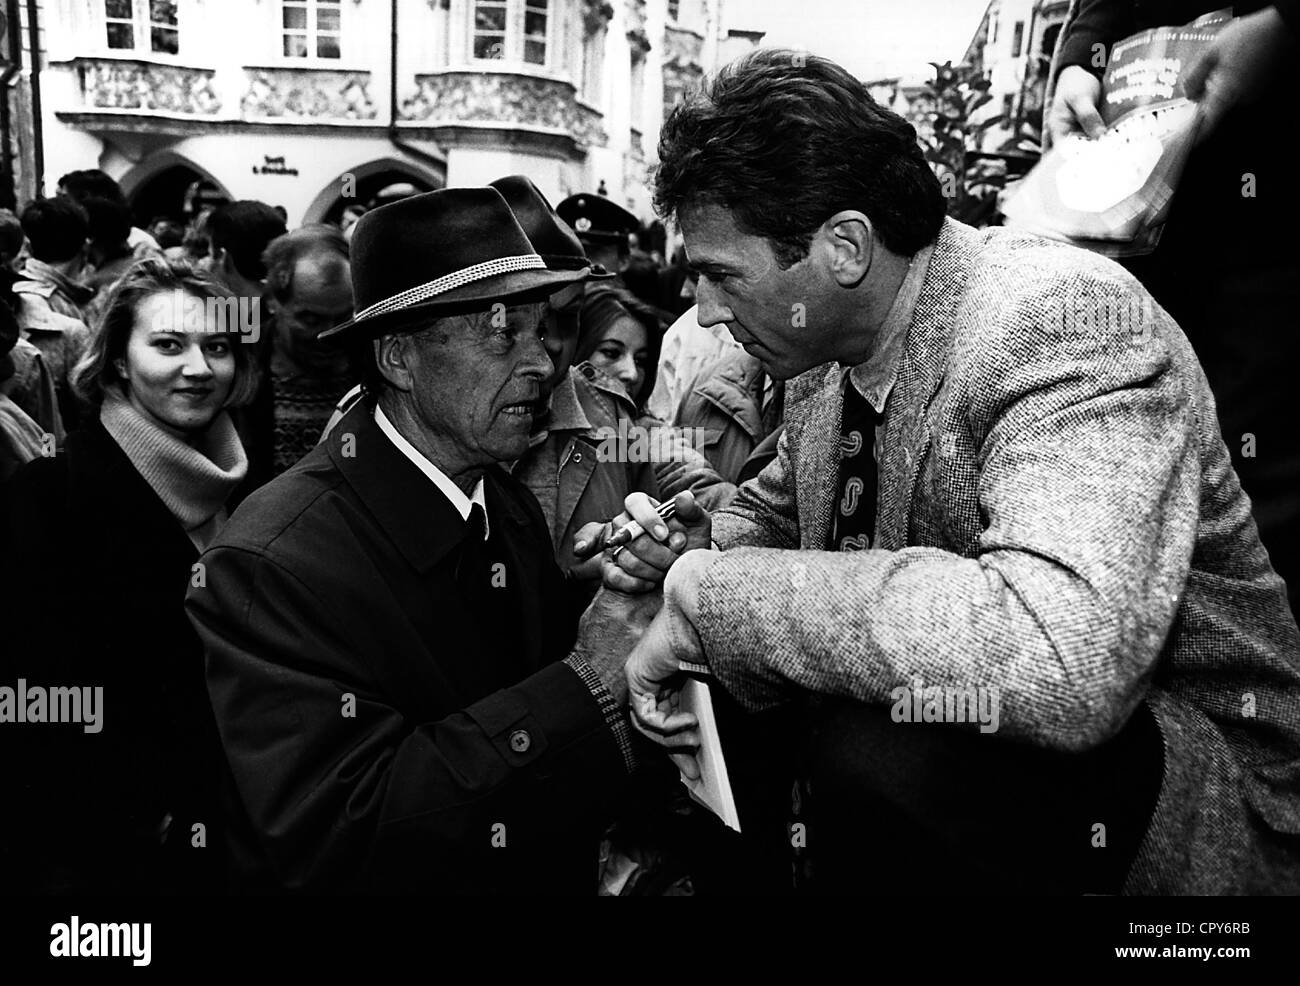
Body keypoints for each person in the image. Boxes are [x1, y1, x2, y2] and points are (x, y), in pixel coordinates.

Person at [600, 49, 1300, 895]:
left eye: (719, 275)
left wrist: (711, 599)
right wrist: (693, 549)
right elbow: (778, 522)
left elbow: (1058, 659)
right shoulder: (826, 356)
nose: (704, 311)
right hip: (973, 811)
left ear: (845, 248)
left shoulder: (1061, 318)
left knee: (885, 746)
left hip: (1203, 820)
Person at [185, 187, 658, 893]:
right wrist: (587, 682)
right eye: (502, 333)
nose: (541, 363)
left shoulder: (500, 502)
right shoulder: (270, 566)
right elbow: (351, 833)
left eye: (540, 330)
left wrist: (602, 599)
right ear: (400, 358)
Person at [0, 258, 255, 893]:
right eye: (168, 344)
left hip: (225, 826)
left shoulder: (239, 488)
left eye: (217, 347)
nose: (198, 368)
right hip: (112, 854)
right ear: (117, 359)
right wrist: (134, 812)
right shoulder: (50, 497)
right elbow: (31, 693)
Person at [1049, 2, 1300, 612]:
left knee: (1254, 460)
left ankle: (1246, 675)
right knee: (1136, 428)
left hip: (1273, 193)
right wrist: (1084, 57)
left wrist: (1286, 26)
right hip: (1141, 183)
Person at [235, 224, 355, 489]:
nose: (329, 334)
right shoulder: (238, 366)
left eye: (344, 318)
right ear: (273, 303)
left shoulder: (378, 368)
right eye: (310, 319)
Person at [13, 199, 94, 432]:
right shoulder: (67, 321)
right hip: (50, 445)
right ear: (85, 246)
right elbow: (86, 411)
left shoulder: (15, 295)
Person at [57, 168, 162, 259]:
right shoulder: (78, 242)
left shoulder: (139, 243)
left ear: (87, 198)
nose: (60, 205)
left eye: (65, 198)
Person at [206, 200, 287, 302]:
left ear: (223, 255)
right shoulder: (285, 308)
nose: (206, 261)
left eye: (208, 250)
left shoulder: (198, 309)